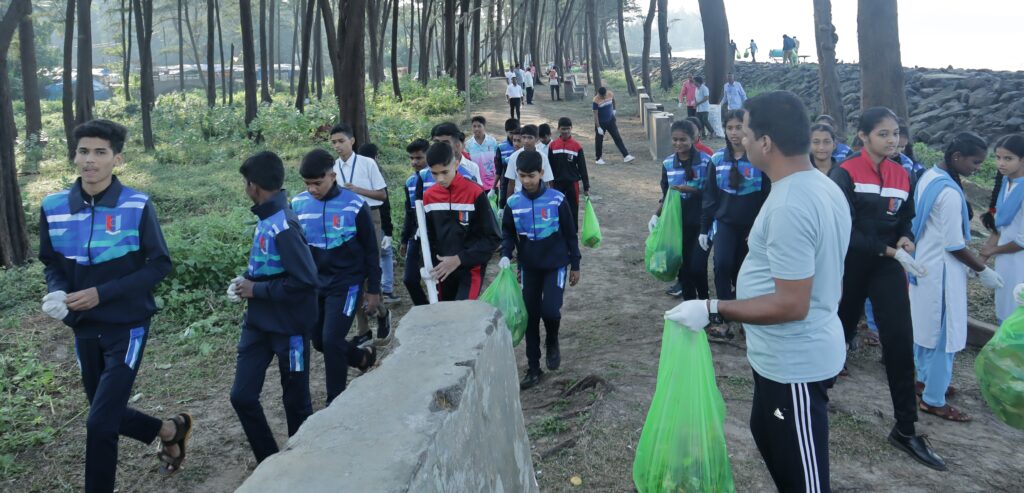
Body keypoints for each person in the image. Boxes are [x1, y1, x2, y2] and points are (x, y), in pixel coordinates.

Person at [665, 91, 851, 493]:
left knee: (804, 478)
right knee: (765, 432)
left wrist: (713, 307)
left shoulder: (791, 204)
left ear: (766, 142)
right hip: (777, 360)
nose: (741, 140)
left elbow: (792, 303)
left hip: (795, 363)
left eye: (746, 133)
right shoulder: (815, 185)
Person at [39, 119, 190, 490]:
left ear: (117, 159)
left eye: (100, 153)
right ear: (74, 156)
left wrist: (101, 294)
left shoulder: (136, 205)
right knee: (104, 411)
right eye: (83, 151)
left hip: (128, 323)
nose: (90, 160)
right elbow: (52, 264)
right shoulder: (53, 207)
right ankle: (170, 430)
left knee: (99, 422)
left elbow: (160, 264)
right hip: (83, 327)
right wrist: (57, 292)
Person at [829, 106, 946, 471]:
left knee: (898, 339)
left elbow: (906, 216)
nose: (892, 139)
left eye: (895, 133)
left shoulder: (902, 172)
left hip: (888, 267)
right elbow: (842, 227)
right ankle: (816, 394)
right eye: (883, 133)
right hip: (850, 265)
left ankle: (906, 429)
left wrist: (906, 239)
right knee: (838, 331)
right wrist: (888, 249)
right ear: (863, 136)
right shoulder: (843, 172)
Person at [230, 151, 317, 464]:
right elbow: (271, 268)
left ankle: (302, 467)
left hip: (290, 327)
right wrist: (246, 282)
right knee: (241, 396)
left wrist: (257, 289)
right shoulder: (265, 218)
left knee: (296, 402)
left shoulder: (284, 225)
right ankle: (269, 462)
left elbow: (306, 281)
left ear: (253, 186)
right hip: (257, 324)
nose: (245, 188)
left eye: (245, 183)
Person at [910, 132, 1002, 423]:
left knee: (925, 331)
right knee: (944, 338)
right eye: (976, 162)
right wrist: (983, 269)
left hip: (923, 264)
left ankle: (925, 380)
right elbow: (954, 245)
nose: (978, 168)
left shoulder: (929, 175)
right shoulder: (949, 193)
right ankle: (933, 400)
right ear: (957, 158)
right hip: (941, 273)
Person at [292, 149, 382, 404]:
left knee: (331, 340)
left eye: (317, 183)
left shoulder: (354, 204)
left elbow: (370, 251)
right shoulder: (298, 204)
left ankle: (336, 400)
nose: (312, 189)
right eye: (307, 184)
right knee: (319, 341)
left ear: (332, 176)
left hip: (347, 284)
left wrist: (373, 290)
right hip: (314, 285)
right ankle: (361, 358)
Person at [501, 150, 582, 390]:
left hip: (555, 265)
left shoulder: (557, 199)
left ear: (542, 174)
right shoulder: (513, 203)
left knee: (551, 311)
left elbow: (570, 233)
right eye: (522, 176)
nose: (527, 181)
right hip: (528, 267)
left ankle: (553, 340)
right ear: (517, 175)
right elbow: (507, 233)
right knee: (530, 316)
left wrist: (575, 263)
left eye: (532, 176)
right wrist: (506, 255)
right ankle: (534, 367)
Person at [701, 109, 770, 339]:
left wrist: (760, 226)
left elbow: (768, 196)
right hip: (725, 224)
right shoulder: (717, 159)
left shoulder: (760, 160)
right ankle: (725, 316)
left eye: (739, 127)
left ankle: (745, 317)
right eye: (729, 127)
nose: (733, 132)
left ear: (748, 130)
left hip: (753, 227)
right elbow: (710, 197)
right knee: (722, 265)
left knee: (744, 272)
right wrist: (704, 228)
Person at [328, 123, 391, 346]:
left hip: (370, 217)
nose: (337, 146)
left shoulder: (367, 163)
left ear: (352, 141)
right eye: (333, 142)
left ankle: (382, 312)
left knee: (369, 269)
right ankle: (363, 329)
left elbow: (382, 195)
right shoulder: (332, 168)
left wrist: (357, 190)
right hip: (345, 222)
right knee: (352, 275)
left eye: (341, 141)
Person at [422, 142, 502, 300]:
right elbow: (428, 238)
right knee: (446, 317)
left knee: (464, 316)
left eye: (445, 172)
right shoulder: (429, 196)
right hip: (442, 270)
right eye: (434, 173)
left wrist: (460, 259)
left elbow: (493, 238)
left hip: (470, 269)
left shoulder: (475, 193)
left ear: (456, 163)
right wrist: (425, 265)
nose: (440, 179)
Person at [651, 120, 711, 300]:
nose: (678, 144)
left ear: (694, 139)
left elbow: (712, 194)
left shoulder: (706, 162)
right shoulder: (668, 164)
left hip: (701, 221)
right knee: (683, 267)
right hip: (677, 222)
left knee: (697, 267)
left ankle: (705, 302)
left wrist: (690, 190)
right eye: (675, 139)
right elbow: (666, 193)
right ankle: (689, 304)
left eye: (683, 140)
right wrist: (656, 214)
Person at [981, 134, 1024, 321]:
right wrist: (982, 257)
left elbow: (1022, 240)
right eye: (998, 157)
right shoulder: (1006, 183)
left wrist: (992, 251)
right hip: (1005, 257)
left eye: (1008, 158)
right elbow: (999, 227)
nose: (1001, 163)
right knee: (1004, 303)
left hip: (1019, 259)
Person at [357, 143, 399, 303]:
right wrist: (388, 230)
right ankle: (385, 291)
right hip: (376, 222)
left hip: (358, 224)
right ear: (376, 156)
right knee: (383, 254)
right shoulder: (375, 172)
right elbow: (385, 204)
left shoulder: (354, 173)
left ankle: (369, 295)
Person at [401, 139, 433, 306]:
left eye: (419, 158)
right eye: (411, 158)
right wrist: (404, 239)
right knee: (409, 278)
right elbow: (409, 212)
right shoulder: (410, 182)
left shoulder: (435, 177)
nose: (414, 162)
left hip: (437, 234)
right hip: (416, 233)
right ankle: (424, 308)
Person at [548, 117, 591, 228]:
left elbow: (582, 167)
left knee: (573, 208)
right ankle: (558, 230)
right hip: (557, 183)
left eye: (568, 129)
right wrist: (550, 183)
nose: (566, 131)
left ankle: (573, 231)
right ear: (558, 129)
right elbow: (549, 167)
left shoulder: (577, 146)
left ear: (571, 128)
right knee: (557, 207)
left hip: (572, 183)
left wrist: (586, 186)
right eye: (563, 129)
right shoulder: (553, 146)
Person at [505, 124, 555, 198]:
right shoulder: (513, 157)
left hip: (539, 197)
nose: (526, 141)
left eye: (530, 138)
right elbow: (511, 183)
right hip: (519, 197)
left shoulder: (543, 157)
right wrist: (509, 204)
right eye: (524, 137)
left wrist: (548, 200)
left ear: (537, 139)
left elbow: (547, 182)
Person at [592, 87, 635, 165]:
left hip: (611, 121)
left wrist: (614, 109)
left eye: (604, 95)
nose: (603, 97)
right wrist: (598, 127)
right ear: (598, 94)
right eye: (602, 96)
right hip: (601, 123)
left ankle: (626, 156)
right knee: (599, 141)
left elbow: (613, 100)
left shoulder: (610, 94)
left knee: (617, 137)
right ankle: (598, 158)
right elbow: (595, 115)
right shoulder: (596, 100)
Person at [432, 122, 483, 186]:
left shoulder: (472, 168)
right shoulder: (425, 172)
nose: (440, 146)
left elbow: (477, 193)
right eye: (436, 142)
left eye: (445, 143)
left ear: (457, 144)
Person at [466, 116, 499, 191]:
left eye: (479, 126)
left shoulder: (492, 141)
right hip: (476, 182)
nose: (476, 129)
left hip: (492, 182)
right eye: (474, 126)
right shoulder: (468, 144)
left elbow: (497, 160)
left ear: (484, 127)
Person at [495, 119, 520, 208]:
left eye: (515, 132)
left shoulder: (523, 145)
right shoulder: (501, 147)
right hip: (505, 183)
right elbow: (498, 169)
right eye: (511, 133)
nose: (513, 136)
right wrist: (493, 187)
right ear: (506, 132)